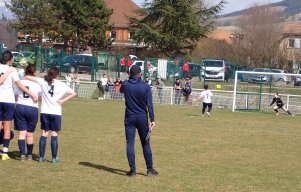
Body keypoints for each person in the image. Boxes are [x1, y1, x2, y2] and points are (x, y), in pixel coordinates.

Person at [25, 67, 76, 163]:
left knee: (44, 133)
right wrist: (62, 100)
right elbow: (73, 93)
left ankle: (41, 157)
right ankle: (54, 158)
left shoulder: (43, 81)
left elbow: (28, 77)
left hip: (45, 112)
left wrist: (26, 77)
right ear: (57, 75)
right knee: (54, 134)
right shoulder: (61, 84)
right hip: (56, 112)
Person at [120, 65, 158, 177]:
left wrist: (128, 78)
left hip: (129, 117)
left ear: (130, 74)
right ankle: (150, 169)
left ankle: (132, 171)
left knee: (130, 143)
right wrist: (152, 119)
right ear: (140, 74)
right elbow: (149, 104)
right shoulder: (145, 86)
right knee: (145, 144)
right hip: (142, 117)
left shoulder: (126, 84)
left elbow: (121, 89)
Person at [0, 50, 38, 160]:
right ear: (10, 59)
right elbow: (19, 85)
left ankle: (4, 153)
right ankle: (5, 153)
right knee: (7, 128)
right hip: (8, 101)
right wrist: (32, 94)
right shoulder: (12, 70)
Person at [14, 64, 42, 161]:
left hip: (20, 107)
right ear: (34, 72)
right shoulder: (37, 84)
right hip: (32, 109)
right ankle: (29, 155)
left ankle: (22, 155)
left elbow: (15, 96)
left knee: (22, 133)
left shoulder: (20, 82)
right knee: (30, 134)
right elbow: (40, 97)